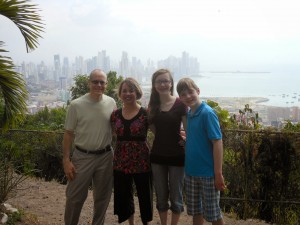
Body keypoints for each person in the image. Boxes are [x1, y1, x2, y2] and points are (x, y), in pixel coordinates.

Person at [62, 69, 116, 225]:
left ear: (106, 84)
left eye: (102, 82)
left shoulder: (111, 102)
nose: (99, 85)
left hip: (106, 155)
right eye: (95, 82)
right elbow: (68, 134)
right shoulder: (76, 104)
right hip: (82, 156)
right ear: (89, 83)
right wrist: (66, 160)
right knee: (74, 197)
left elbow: (114, 128)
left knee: (102, 198)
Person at [176, 77, 226, 225]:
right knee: (196, 212)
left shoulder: (207, 113)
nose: (187, 97)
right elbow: (198, 138)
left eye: (190, 92)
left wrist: (218, 173)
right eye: (183, 94)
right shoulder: (191, 114)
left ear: (198, 91)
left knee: (214, 214)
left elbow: (217, 142)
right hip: (191, 172)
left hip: (207, 173)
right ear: (180, 97)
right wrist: (187, 140)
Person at [110, 77, 153, 225]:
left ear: (137, 92)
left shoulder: (145, 113)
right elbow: (110, 134)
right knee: (124, 194)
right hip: (121, 159)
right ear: (120, 94)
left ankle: (145, 222)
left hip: (141, 159)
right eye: (124, 91)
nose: (128, 93)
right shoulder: (115, 114)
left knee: (144, 194)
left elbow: (157, 131)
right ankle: (131, 223)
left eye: (131, 90)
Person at [148, 69, 187, 225]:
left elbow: (188, 128)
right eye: (159, 81)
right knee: (161, 195)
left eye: (166, 81)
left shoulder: (180, 104)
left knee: (176, 197)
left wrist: (186, 140)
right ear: (154, 85)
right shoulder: (153, 105)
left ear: (171, 83)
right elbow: (153, 127)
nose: (163, 84)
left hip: (177, 156)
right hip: (157, 156)